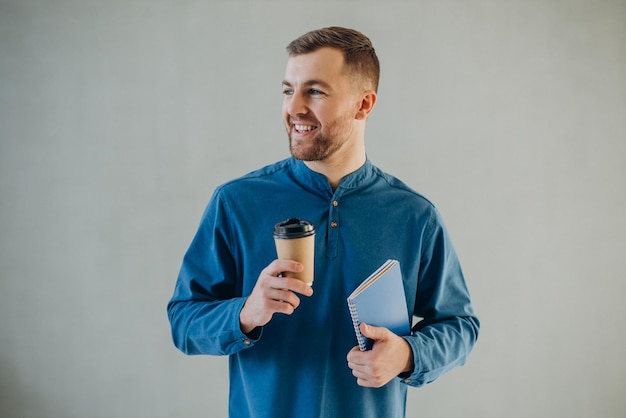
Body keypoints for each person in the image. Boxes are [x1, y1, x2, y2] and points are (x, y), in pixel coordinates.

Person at [167, 26, 479, 418]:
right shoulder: (236, 202)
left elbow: (460, 326)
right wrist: (246, 313)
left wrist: (407, 354)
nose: (294, 107)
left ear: (364, 105)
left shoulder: (414, 215)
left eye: (314, 91)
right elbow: (183, 320)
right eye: (287, 90)